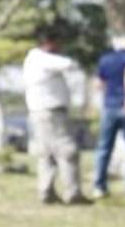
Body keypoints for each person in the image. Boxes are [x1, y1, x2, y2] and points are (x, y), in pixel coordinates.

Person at [22, 30, 88, 205]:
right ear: (49, 43)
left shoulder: (35, 60)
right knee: (67, 150)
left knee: (47, 154)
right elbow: (68, 64)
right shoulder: (41, 58)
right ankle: (73, 192)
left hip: (42, 112)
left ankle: (46, 191)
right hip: (51, 112)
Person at [92, 34, 125, 201]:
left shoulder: (105, 59)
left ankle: (99, 187)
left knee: (103, 148)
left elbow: (99, 83)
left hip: (109, 107)